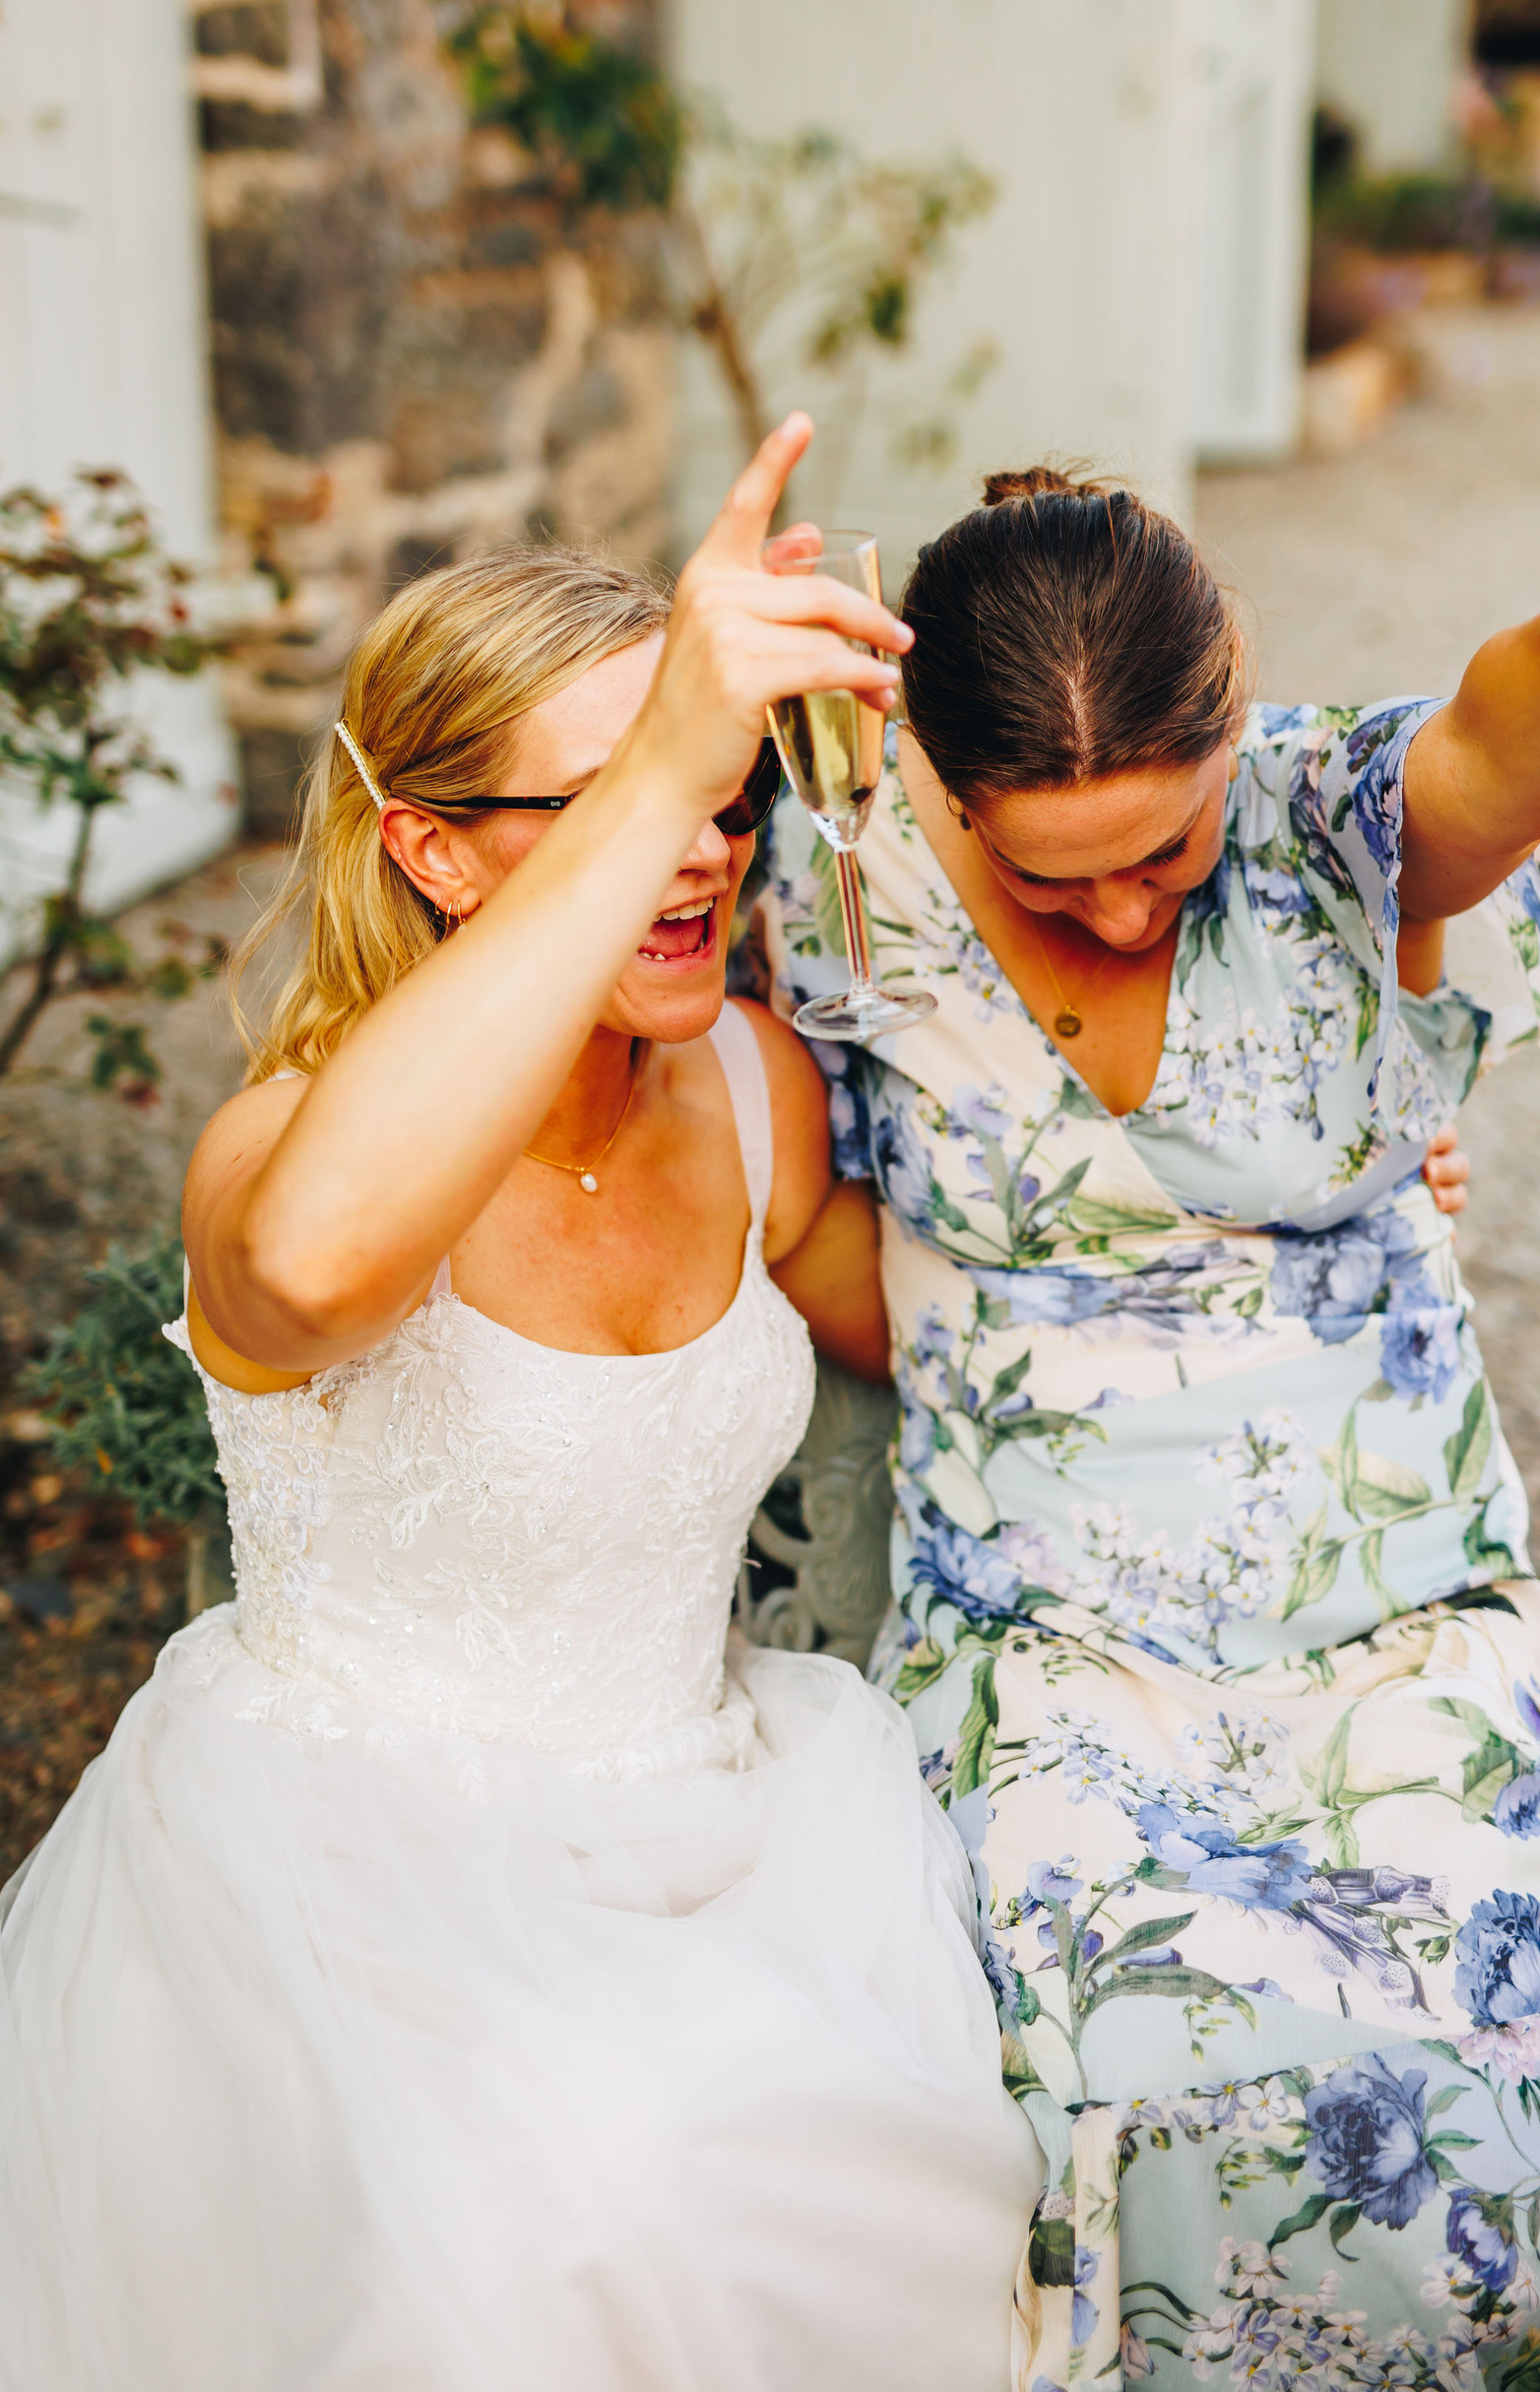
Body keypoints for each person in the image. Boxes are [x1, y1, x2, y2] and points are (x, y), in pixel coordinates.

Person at [756, 305, 1540, 2389]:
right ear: (942, 789)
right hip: (1048, 1643)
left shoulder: (1320, 820)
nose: (1132, 912)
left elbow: (1491, 750)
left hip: (1391, 1617)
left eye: (1170, 844)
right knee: (1122, 2034)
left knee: (1423, 2037)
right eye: (1066, 882)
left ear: (1243, 733)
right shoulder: (837, 894)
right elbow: (778, 1185)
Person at [0, 426, 1044, 2392]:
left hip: (733, 1833)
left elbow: (977, 1337)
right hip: (342, 1882)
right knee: (565, 2206)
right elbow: (305, 1280)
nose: (701, 856)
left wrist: (1308, 1211)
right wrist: (657, 766)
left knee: (926, 2164)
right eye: (610, 807)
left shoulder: (750, 1083)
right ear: (435, 845)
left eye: (721, 800)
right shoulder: (286, 1146)